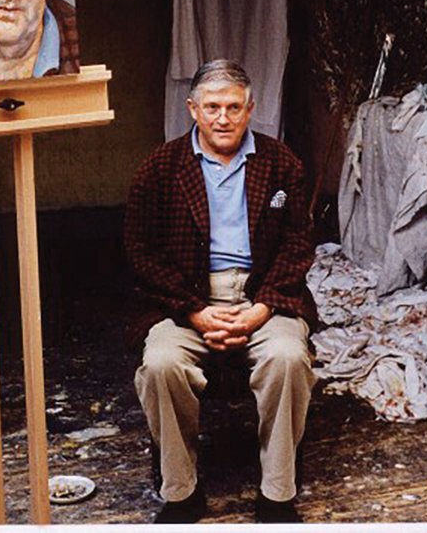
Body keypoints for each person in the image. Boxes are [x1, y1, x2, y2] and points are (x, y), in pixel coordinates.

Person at [125, 59, 317, 524]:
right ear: (193, 109)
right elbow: (141, 253)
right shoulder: (160, 168)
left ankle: (277, 493)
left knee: (288, 358)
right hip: (185, 299)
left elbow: (297, 245)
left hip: (264, 296)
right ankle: (181, 491)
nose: (223, 118)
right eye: (212, 107)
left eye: (233, 107)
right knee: (161, 364)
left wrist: (261, 309)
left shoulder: (281, 164)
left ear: (250, 109)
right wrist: (194, 311)